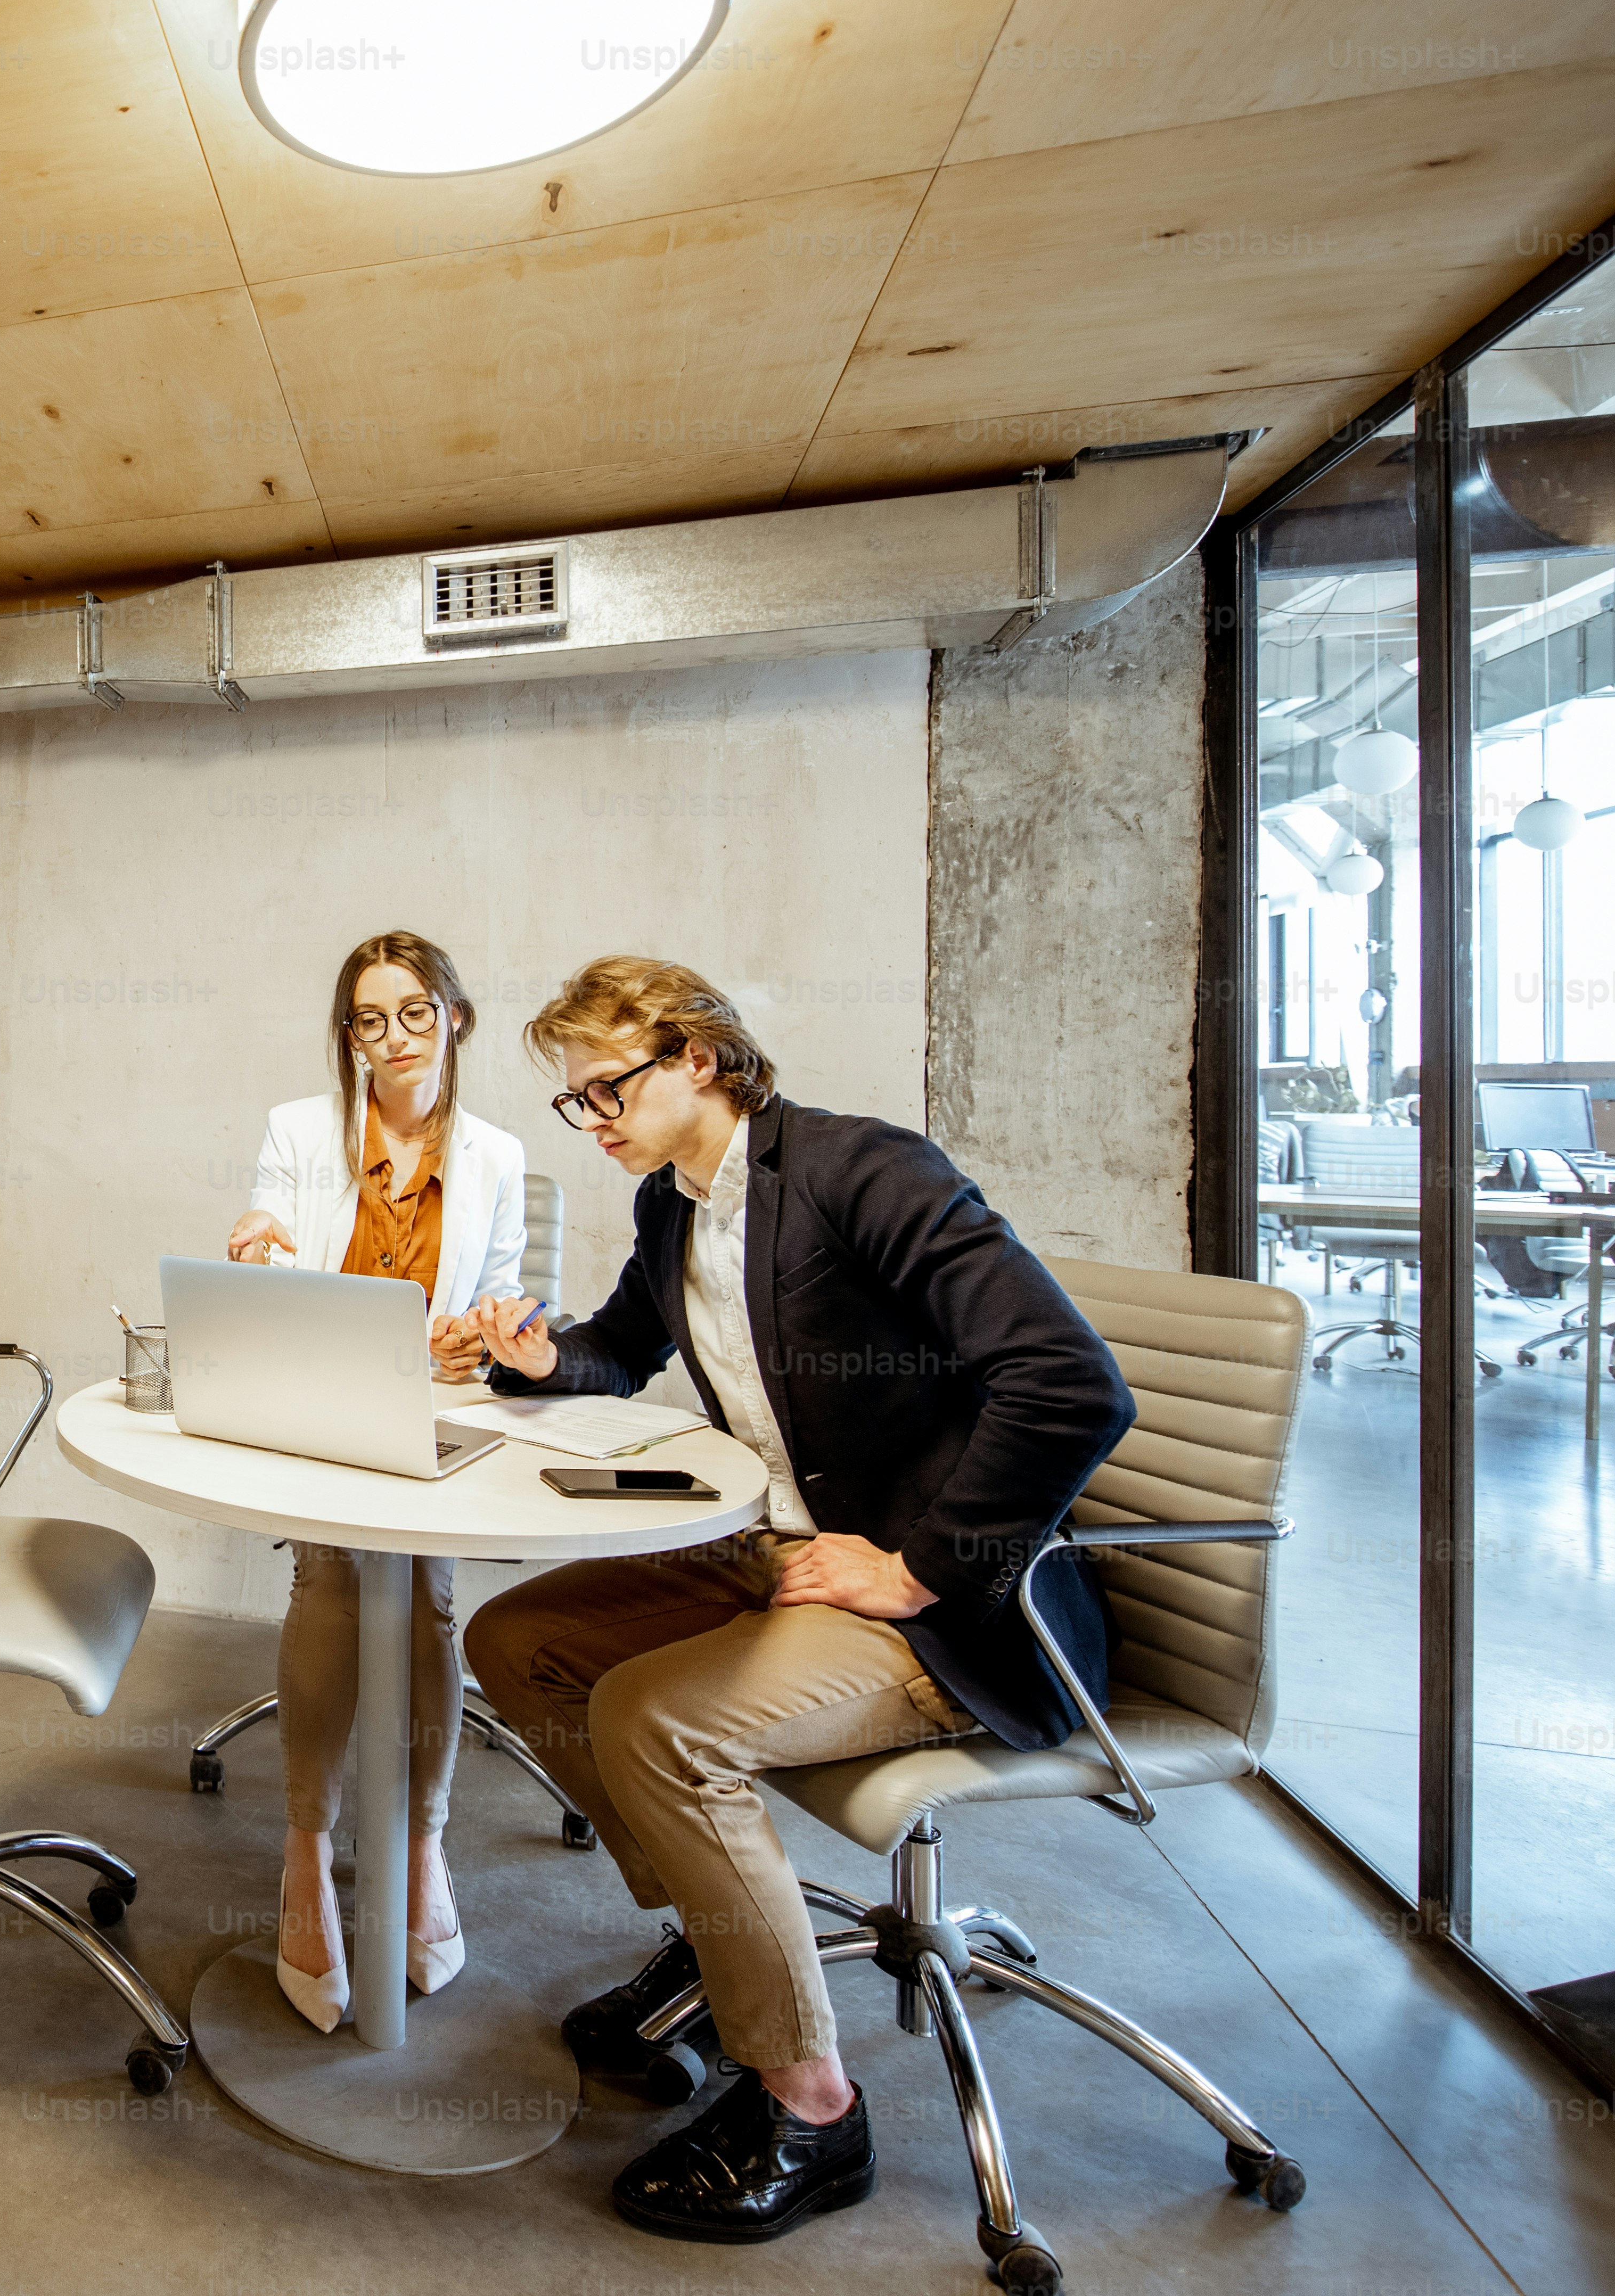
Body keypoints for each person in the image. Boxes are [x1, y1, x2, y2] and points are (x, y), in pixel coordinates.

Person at [452, 956, 1130, 2245]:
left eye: (602, 1091)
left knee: (658, 1719)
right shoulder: (673, 1207)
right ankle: (725, 1954)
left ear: (694, 1061)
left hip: (942, 1610)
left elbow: (1067, 1382)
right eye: (573, 1104)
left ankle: (809, 2109)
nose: (589, 1121)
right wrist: (542, 1360)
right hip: (773, 1551)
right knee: (519, 1639)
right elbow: (619, 1349)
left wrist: (919, 1565)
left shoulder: (860, 1172)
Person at [220, 930, 526, 2033]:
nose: (390, 1037)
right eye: (367, 1018)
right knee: (333, 1579)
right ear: (346, 1033)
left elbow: (504, 1300)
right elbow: (268, 1250)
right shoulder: (301, 1133)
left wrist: (483, 1336)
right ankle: (308, 1850)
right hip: (321, 1400)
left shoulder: (495, 1155)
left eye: (412, 1012)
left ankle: (420, 1845)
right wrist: (255, 1249)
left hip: (431, 1416)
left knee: (431, 1594)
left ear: (454, 1017)